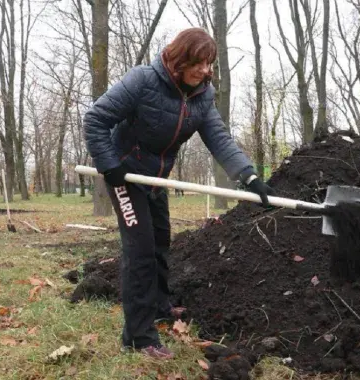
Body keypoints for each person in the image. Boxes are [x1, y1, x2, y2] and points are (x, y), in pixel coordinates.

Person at [83, 28, 274, 359]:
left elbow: (219, 138)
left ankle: (159, 307)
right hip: (125, 175)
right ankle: (138, 337)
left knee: (160, 243)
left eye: (209, 63)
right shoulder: (143, 80)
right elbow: (96, 119)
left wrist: (249, 175)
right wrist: (109, 165)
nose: (204, 70)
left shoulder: (202, 96)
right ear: (179, 58)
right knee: (140, 251)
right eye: (198, 62)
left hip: (157, 179)